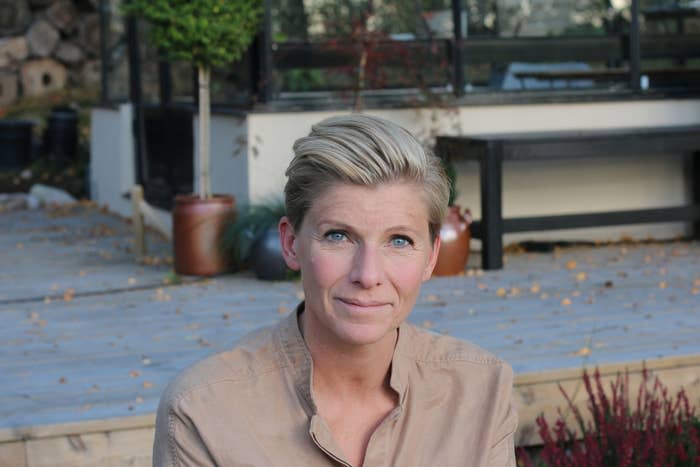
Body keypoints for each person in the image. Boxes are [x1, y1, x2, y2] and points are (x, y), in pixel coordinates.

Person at [152, 114, 518, 466]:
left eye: (400, 240)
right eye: (338, 236)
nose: (368, 274)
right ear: (292, 243)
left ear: (431, 256)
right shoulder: (203, 412)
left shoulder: (480, 391)